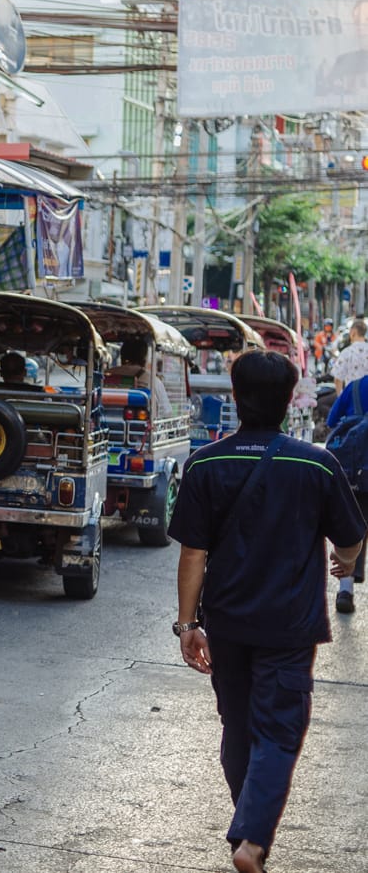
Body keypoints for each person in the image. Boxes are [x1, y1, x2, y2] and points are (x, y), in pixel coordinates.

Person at [169, 350, 365, 873]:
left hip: (227, 625)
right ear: (289, 401)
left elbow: (193, 554)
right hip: (290, 627)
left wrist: (188, 626)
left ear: (235, 398)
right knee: (278, 732)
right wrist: (343, 565)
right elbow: (351, 538)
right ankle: (252, 843)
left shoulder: (205, 463)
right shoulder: (315, 463)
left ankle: (246, 823)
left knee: (237, 728)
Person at [325, 373, 368, 612]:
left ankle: (345, 589)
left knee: (353, 523)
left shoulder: (354, 387)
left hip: (356, 468)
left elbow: (332, 421)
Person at [106, 340, 173, 417]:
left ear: (121, 355)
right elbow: (167, 412)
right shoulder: (153, 381)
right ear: (144, 357)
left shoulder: (105, 374)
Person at [331, 318, 368, 392]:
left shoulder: (347, 352)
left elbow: (338, 379)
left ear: (353, 332)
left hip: (354, 398)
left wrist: (341, 397)